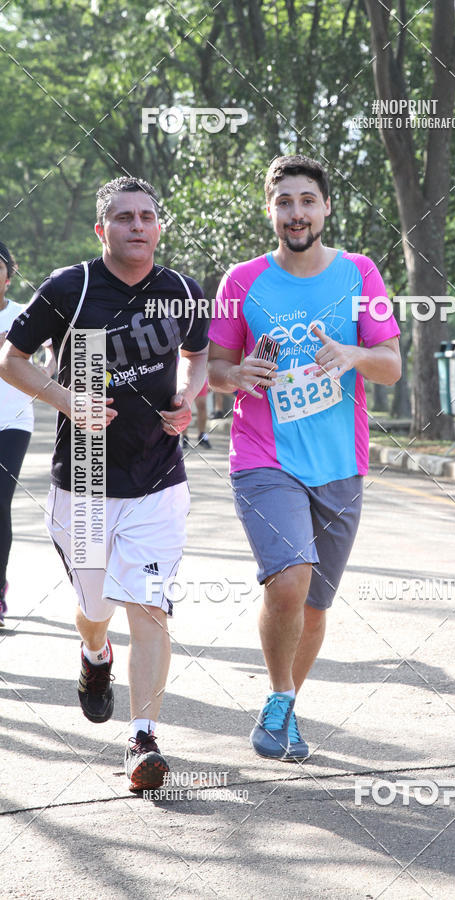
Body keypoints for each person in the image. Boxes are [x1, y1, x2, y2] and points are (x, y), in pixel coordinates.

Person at [0, 176, 208, 789]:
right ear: (102, 229)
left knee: (148, 606)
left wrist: (187, 395)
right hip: (85, 479)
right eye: (124, 217)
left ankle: (143, 740)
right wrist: (67, 399)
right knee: (95, 610)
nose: (138, 226)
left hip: (158, 478)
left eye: (148, 215)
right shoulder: (71, 287)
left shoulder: (182, 292)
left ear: (159, 226)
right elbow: (11, 358)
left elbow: (198, 356)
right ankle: (95, 655)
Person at [208, 154, 402, 761]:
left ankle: (287, 704)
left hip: (341, 462)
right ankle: (276, 696)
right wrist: (237, 374)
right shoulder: (240, 281)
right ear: (271, 210)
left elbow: (391, 365)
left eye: (307, 201)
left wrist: (351, 354)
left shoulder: (361, 274)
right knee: (289, 580)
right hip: (264, 457)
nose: (296, 213)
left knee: (316, 603)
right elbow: (213, 368)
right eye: (284, 202)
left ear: (325, 208)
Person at [0, 241, 55, 627]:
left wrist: (45, 380)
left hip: (14, 419)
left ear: (8, 273)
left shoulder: (23, 314)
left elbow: (56, 349)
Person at [181, 379, 211, 449]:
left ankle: (202, 435)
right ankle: (184, 437)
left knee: (202, 405)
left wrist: (210, 380)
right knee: (183, 405)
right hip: (184, 376)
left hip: (200, 378)